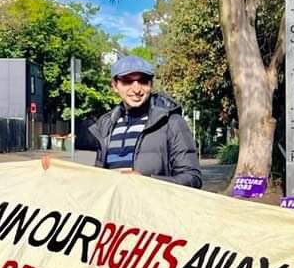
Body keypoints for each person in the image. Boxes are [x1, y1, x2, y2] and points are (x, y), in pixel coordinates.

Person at [44, 55, 201, 188]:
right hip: (116, 218)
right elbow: (96, 179)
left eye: (143, 81)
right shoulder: (105, 125)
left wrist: (147, 182)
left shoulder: (171, 122)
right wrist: (61, 169)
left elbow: (192, 178)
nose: (136, 89)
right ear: (115, 85)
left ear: (151, 84)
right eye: (127, 81)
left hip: (153, 219)